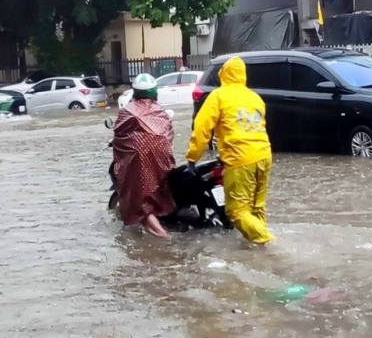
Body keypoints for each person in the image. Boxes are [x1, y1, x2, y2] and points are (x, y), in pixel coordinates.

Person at [186, 56, 275, 245]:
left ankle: (269, 244)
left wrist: (193, 157)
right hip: (264, 155)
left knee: (237, 211)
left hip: (240, 159)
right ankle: (259, 249)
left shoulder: (219, 96)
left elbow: (202, 128)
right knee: (256, 208)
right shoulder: (255, 97)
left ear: (223, 74)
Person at [111, 74, 177, 238]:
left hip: (138, 160)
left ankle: (162, 235)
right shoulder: (160, 112)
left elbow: (119, 136)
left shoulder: (128, 111)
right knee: (160, 189)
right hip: (163, 158)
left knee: (137, 198)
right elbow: (169, 135)